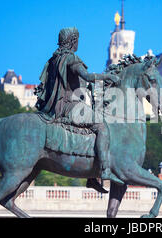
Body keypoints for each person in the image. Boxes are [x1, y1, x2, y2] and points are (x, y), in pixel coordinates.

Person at [35, 27, 124, 191]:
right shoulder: (70, 59)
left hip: (57, 105)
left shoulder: (54, 59)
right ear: (72, 41)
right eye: (77, 40)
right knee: (102, 126)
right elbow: (88, 77)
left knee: (93, 128)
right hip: (71, 106)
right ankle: (104, 170)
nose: (78, 43)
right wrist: (108, 77)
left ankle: (91, 177)